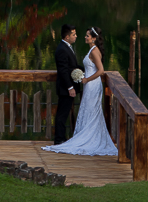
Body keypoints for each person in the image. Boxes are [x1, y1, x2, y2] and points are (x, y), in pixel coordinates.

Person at [44, 26, 117, 156]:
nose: (83, 37)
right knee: (88, 111)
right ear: (67, 37)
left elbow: (101, 71)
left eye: (87, 35)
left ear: (94, 38)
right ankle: (76, 138)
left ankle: (89, 139)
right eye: (76, 34)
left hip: (92, 84)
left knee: (92, 111)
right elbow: (66, 69)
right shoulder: (89, 49)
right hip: (88, 85)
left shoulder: (94, 51)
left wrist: (87, 79)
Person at [53, 23, 83, 145]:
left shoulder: (67, 47)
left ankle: (61, 138)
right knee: (62, 113)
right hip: (65, 88)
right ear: (66, 37)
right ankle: (59, 139)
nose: (76, 36)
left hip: (68, 87)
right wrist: (70, 87)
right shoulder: (61, 49)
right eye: (73, 34)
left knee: (63, 113)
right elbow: (63, 71)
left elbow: (73, 66)